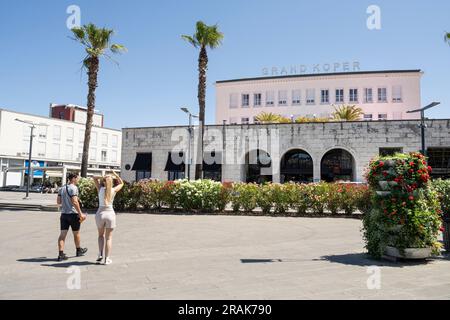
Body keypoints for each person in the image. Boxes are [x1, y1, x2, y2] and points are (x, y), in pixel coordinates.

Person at [92, 171, 124, 265]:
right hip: (110, 214)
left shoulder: (100, 189)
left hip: (100, 214)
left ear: (104, 181)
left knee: (100, 235)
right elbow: (122, 183)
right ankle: (107, 259)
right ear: (111, 182)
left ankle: (100, 254)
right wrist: (115, 174)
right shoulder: (113, 190)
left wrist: (103, 176)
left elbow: (94, 177)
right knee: (108, 238)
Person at [56, 173, 88, 261]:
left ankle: (61, 254)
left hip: (64, 214)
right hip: (73, 214)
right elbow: (75, 201)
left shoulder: (62, 188)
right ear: (73, 178)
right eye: (77, 178)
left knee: (62, 235)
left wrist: (65, 203)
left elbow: (58, 201)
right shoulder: (74, 188)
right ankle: (78, 250)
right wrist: (80, 213)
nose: (78, 180)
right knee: (76, 233)